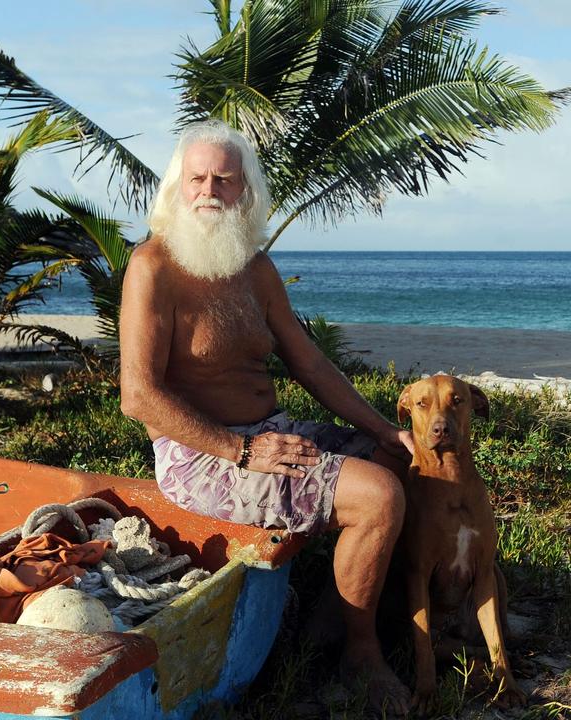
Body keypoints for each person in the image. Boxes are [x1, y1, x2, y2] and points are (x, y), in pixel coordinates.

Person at [118, 120, 413, 712]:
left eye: (224, 180)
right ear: (177, 188)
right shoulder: (153, 267)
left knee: (394, 460)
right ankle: (361, 655)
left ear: (245, 193)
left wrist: (383, 427)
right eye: (197, 178)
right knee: (377, 497)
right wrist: (241, 450)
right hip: (203, 457)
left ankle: (331, 620)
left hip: (269, 435)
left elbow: (310, 362)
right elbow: (138, 397)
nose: (208, 190)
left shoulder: (253, 267)